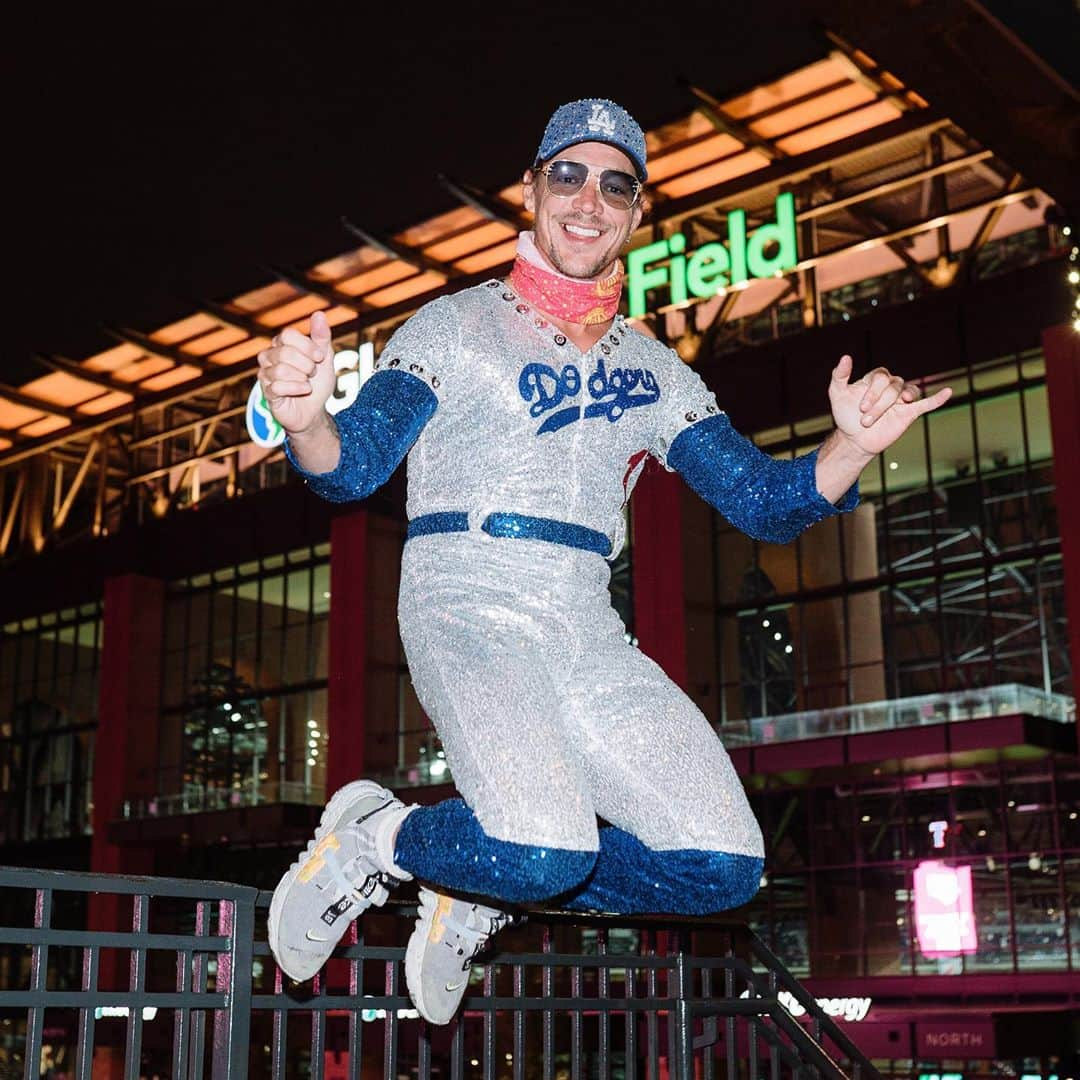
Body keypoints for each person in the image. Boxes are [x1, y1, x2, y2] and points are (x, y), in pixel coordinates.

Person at [260, 99, 951, 1025]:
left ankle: (478, 877)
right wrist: (306, 418)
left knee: (722, 865)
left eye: (616, 184)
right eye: (569, 175)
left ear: (636, 212)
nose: (590, 199)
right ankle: (378, 838)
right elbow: (354, 471)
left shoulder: (657, 369)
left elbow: (765, 504)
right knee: (545, 850)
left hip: (584, 622)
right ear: (532, 190)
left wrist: (852, 445)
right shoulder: (450, 326)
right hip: (467, 598)